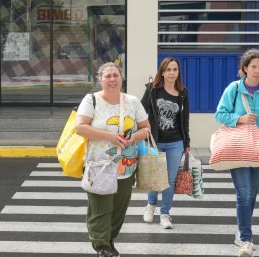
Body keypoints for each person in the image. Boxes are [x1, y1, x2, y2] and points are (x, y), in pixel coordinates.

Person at [214, 49, 259, 257]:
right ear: (244, 68)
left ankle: (240, 232)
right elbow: (220, 113)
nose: (257, 71)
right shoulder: (234, 89)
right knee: (244, 193)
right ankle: (246, 239)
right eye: (253, 66)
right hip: (238, 149)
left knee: (251, 195)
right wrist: (239, 118)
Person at [75, 62, 150, 257]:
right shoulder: (91, 100)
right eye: (107, 76)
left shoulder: (132, 101)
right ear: (100, 79)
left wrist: (133, 138)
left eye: (115, 75)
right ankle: (101, 246)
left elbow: (146, 128)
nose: (112, 80)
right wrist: (110, 136)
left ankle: (109, 239)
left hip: (126, 166)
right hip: (99, 166)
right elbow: (80, 128)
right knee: (100, 207)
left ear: (121, 78)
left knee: (118, 208)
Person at [141, 57, 190, 229]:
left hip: (176, 142)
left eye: (174, 69)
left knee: (169, 179)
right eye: (168, 69)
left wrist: (187, 143)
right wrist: (143, 131)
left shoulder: (183, 93)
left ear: (178, 72)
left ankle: (165, 213)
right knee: (155, 176)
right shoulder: (153, 90)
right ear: (162, 72)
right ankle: (151, 204)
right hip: (155, 142)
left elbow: (185, 120)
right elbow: (141, 112)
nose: (171, 73)